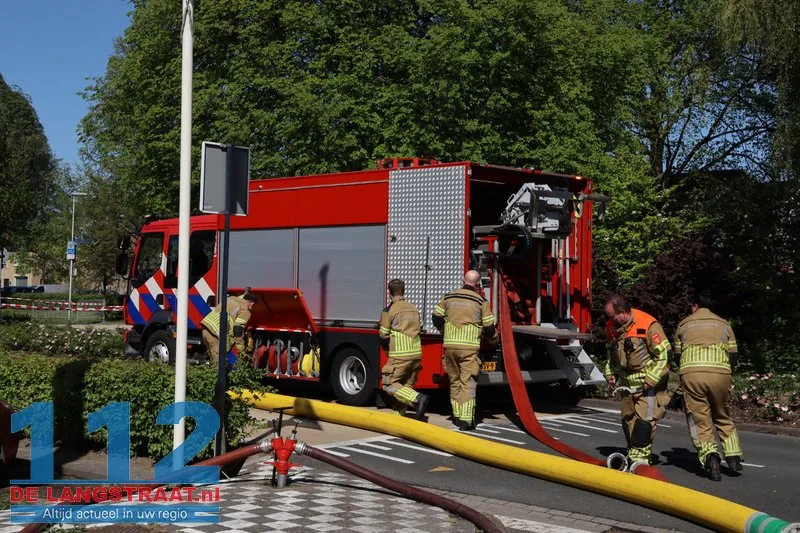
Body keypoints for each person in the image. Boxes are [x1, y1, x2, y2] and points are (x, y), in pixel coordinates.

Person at [674, 293, 742, 481]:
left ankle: (710, 457)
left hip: (692, 374)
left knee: (700, 419)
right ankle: (733, 457)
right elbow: (733, 355)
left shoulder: (684, 324)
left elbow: (677, 355)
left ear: (695, 305)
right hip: (720, 374)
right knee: (721, 414)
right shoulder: (724, 323)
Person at [603, 294, 672, 468]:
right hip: (627, 384)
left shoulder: (648, 324)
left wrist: (652, 378)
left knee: (644, 422)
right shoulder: (612, 327)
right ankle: (636, 455)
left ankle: (639, 461)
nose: (609, 320)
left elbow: (664, 354)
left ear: (624, 313)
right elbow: (612, 354)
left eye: (611, 316)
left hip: (647, 384)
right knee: (628, 419)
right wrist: (611, 373)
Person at [432, 270, 496, 431]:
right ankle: (466, 420)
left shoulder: (449, 297)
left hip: (450, 346)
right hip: (469, 348)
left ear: (463, 279)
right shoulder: (481, 301)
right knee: (468, 382)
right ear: (479, 283)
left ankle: (457, 415)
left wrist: (445, 332)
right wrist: (495, 342)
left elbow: (436, 317)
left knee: (454, 381)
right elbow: (489, 327)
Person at [378, 279, 430, 419]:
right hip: (416, 353)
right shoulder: (414, 308)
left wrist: (387, 350)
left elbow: (383, 334)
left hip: (400, 354)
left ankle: (418, 399)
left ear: (389, 292)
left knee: (389, 385)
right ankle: (398, 418)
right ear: (404, 291)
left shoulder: (389, 310)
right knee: (404, 387)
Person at [201, 288, 256, 366]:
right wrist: (241, 350)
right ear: (251, 304)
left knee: (212, 361)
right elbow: (238, 329)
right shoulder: (245, 311)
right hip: (216, 334)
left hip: (206, 329)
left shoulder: (231, 299)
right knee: (220, 366)